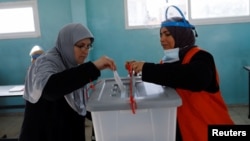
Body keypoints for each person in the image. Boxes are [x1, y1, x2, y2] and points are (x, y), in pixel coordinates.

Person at [125, 6, 234, 141]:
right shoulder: (168, 62)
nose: (162, 39)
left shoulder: (202, 57)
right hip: (185, 129)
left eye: (167, 34)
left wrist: (146, 68)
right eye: (160, 34)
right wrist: (139, 68)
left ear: (181, 34)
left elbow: (195, 78)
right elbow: (164, 76)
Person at [19, 23, 116, 141]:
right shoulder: (45, 62)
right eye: (81, 46)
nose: (85, 51)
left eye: (88, 46)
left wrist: (105, 114)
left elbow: (76, 103)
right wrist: (93, 67)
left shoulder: (71, 65)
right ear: (67, 44)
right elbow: (50, 89)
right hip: (43, 133)